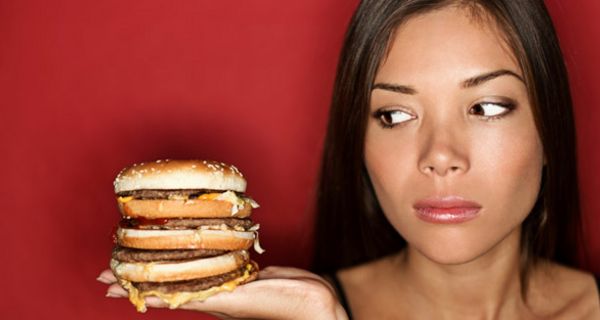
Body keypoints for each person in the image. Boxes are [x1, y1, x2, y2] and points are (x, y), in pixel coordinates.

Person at [98, 0, 600, 318]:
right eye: (396, 115)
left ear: (548, 128)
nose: (440, 156)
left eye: (486, 108)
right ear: (357, 143)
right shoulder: (305, 310)